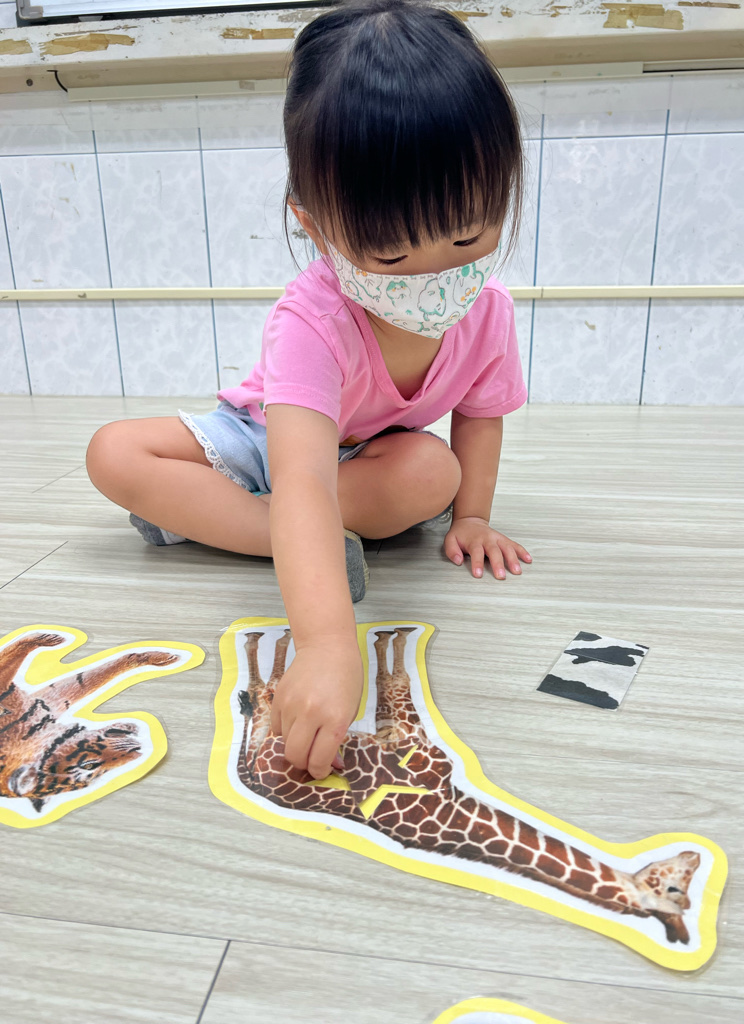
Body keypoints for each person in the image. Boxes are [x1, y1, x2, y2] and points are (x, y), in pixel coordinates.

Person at [85, 0, 531, 785]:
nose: (436, 271)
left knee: (435, 473)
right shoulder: (310, 319)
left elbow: (481, 416)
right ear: (316, 224)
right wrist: (326, 642)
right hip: (270, 441)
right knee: (111, 451)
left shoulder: (487, 311)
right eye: (390, 253)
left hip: (361, 462)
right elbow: (301, 479)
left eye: (469, 234)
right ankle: (291, 539)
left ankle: (227, 525)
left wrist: (472, 517)